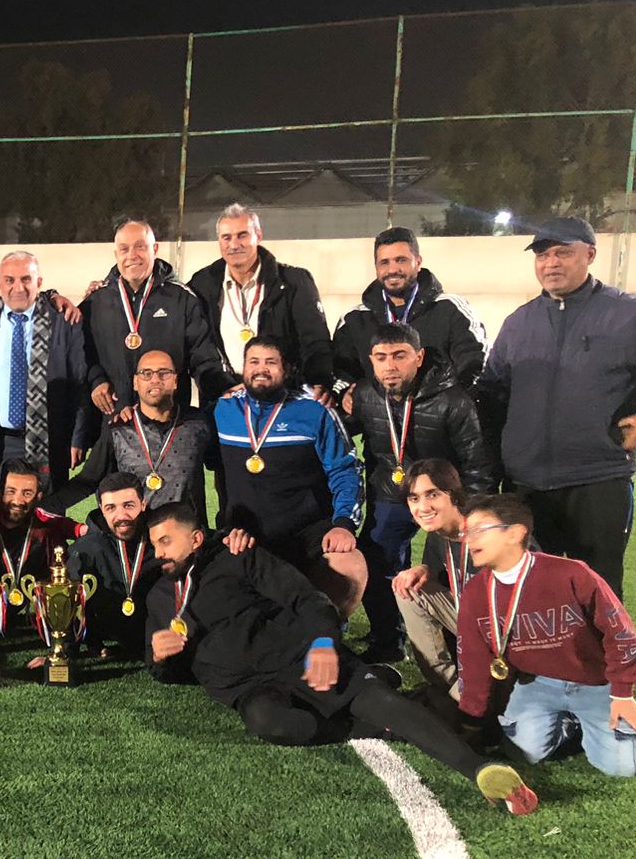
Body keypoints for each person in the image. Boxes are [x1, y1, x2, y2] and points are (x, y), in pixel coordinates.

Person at [144, 502, 539, 813]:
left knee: (378, 702)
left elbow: (306, 598)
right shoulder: (160, 599)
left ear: (196, 538)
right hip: (248, 687)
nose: (159, 553)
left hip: (300, 656)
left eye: (166, 542)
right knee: (272, 724)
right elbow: (169, 671)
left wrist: (322, 643)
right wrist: (161, 659)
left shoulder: (240, 557)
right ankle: (386, 717)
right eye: (154, 545)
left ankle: (482, 770)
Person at [476, 216, 636, 596]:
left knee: (597, 595)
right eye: (542, 255)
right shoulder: (518, 323)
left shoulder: (632, 315)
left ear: (590, 255)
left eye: (562, 253)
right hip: (525, 487)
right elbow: (491, 396)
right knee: (532, 597)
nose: (551, 263)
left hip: (597, 481)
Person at [458, 493, 636, 778]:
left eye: (479, 530)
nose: (468, 540)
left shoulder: (570, 574)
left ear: (515, 533)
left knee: (623, 768)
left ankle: (629, 715)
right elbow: (472, 659)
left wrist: (622, 693)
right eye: (467, 532)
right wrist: (472, 720)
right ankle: (572, 725)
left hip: (595, 682)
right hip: (537, 685)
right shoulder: (476, 591)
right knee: (525, 753)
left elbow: (621, 634)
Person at [348, 323, 493, 662]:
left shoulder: (453, 400)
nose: (390, 366)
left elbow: (477, 463)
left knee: (445, 572)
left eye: (399, 356)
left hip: (444, 498)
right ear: (371, 360)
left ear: (419, 357)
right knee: (377, 562)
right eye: (381, 357)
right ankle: (389, 641)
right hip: (391, 492)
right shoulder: (365, 395)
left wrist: (471, 514)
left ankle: (458, 645)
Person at [214, 336, 367, 617]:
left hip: (308, 533)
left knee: (349, 564)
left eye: (270, 362)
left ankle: (330, 631)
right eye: (253, 362)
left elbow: (345, 470)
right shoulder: (223, 409)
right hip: (245, 535)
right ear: (242, 368)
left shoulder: (315, 411)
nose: (261, 369)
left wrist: (344, 524)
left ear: (287, 370)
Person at [0, 250, 97, 494]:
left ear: (39, 282)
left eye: (26, 279)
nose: (18, 287)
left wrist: (78, 438)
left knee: (47, 511)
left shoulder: (63, 320)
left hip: (50, 439)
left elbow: (80, 383)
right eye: (9, 280)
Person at [44, 348, 216, 524]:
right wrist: (41, 509)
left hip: (187, 534)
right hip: (137, 535)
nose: (155, 379)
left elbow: (223, 468)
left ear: (175, 381)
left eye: (164, 373)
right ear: (135, 382)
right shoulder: (118, 429)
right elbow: (88, 481)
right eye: (146, 374)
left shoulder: (199, 424)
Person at [82, 216, 231, 418]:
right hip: (114, 418)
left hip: (169, 419)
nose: (132, 255)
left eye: (140, 247)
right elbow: (82, 352)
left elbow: (203, 357)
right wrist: (96, 379)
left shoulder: (181, 299)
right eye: (124, 249)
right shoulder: (96, 302)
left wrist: (223, 389)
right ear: (116, 254)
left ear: (155, 249)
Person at [187, 204, 334, 398]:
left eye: (242, 235)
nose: (234, 245)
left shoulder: (294, 282)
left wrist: (317, 383)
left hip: (285, 397)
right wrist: (220, 387)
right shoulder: (202, 284)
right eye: (226, 237)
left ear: (258, 236)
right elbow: (199, 348)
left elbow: (315, 342)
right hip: (226, 396)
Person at [332, 226, 486, 400]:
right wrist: (345, 393)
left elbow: (474, 364)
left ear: (418, 262)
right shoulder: (354, 319)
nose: (392, 270)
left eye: (401, 260)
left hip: (436, 415)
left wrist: (447, 405)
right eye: (385, 262)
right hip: (377, 416)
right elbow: (340, 372)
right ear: (376, 267)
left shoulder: (450, 309)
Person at [391, 460, 479, 708]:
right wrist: (424, 569)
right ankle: (451, 686)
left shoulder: (490, 529)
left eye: (433, 495)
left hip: (516, 633)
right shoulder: (438, 533)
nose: (423, 507)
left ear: (454, 495)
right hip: (475, 624)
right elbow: (442, 575)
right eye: (414, 498)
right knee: (408, 587)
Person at [0, 460, 81, 665]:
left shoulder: (44, 534)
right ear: (0, 491)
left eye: (27, 493)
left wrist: (62, 652)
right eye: (11, 491)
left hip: (20, 605)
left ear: (38, 496)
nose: (18, 500)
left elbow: (60, 594)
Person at [68, 473, 164, 661]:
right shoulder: (86, 548)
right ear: (101, 509)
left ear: (143, 504)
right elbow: (70, 602)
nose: (121, 516)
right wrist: (64, 653)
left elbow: (198, 537)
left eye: (129, 506)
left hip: (155, 630)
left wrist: (225, 538)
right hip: (107, 629)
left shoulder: (162, 533)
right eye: (111, 508)